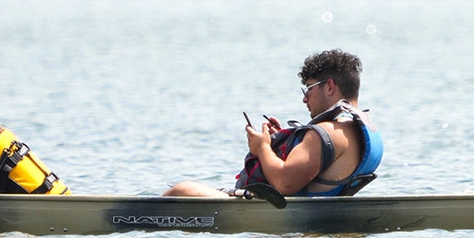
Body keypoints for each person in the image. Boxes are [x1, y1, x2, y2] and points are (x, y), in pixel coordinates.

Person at [164, 49, 382, 198]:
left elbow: (285, 184)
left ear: (330, 87)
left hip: (282, 213)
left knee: (179, 191)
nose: (305, 98)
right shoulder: (360, 128)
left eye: (308, 88)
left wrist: (263, 147)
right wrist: (282, 143)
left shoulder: (325, 133)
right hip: (318, 208)